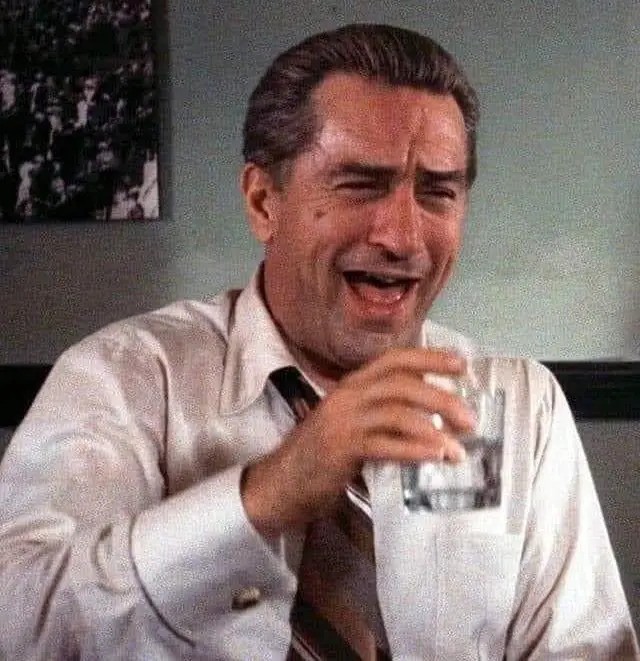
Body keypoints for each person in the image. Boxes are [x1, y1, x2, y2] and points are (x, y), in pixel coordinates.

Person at [0, 23, 637, 660]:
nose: (403, 238)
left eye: (437, 192)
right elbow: (19, 624)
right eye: (360, 185)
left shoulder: (520, 405)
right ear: (263, 202)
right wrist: (263, 498)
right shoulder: (126, 378)